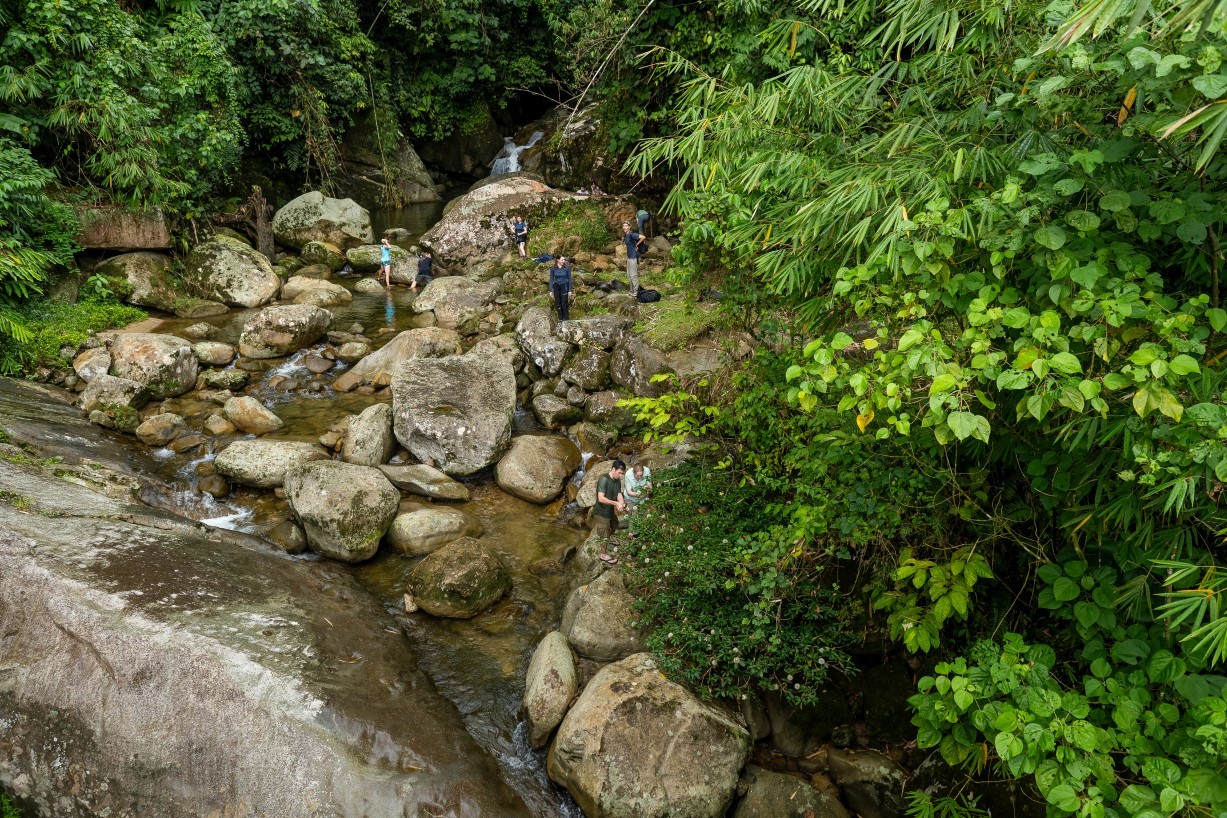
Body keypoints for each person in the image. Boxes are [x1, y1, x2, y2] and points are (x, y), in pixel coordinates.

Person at [592, 460, 627, 564]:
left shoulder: (617, 480)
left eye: (622, 473)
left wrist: (621, 503)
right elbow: (601, 498)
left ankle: (609, 539)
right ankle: (603, 554)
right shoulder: (604, 479)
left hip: (610, 510)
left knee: (615, 525)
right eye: (619, 473)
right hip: (601, 512)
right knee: (604, 533)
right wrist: (616, 504)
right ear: (613, 469)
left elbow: (619, 494)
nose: (620, 476)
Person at [622, 221, 645, 297]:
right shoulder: (626, 235)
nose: (624, 227)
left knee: (633, 275)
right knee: (628, 275)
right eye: (623, 226)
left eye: (626, 226)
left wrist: (637, 244)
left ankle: (636, 292)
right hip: (629, 257)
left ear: (629, 227)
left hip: (634, 257)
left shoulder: (632, 234)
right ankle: (631, 291)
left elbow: (643, 237)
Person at [549, 255, 573, 321]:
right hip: (556, 286)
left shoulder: (567, 268)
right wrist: (551, 290)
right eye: (562, 260)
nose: (564, 261)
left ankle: (566, 320)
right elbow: (551, 280)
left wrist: (570, 290)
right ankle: (560, 319)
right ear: (557, 260)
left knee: (564, 304)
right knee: (558, 304)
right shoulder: (553, 268)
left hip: (564, 286)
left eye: (564, 260)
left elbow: (570, 279)